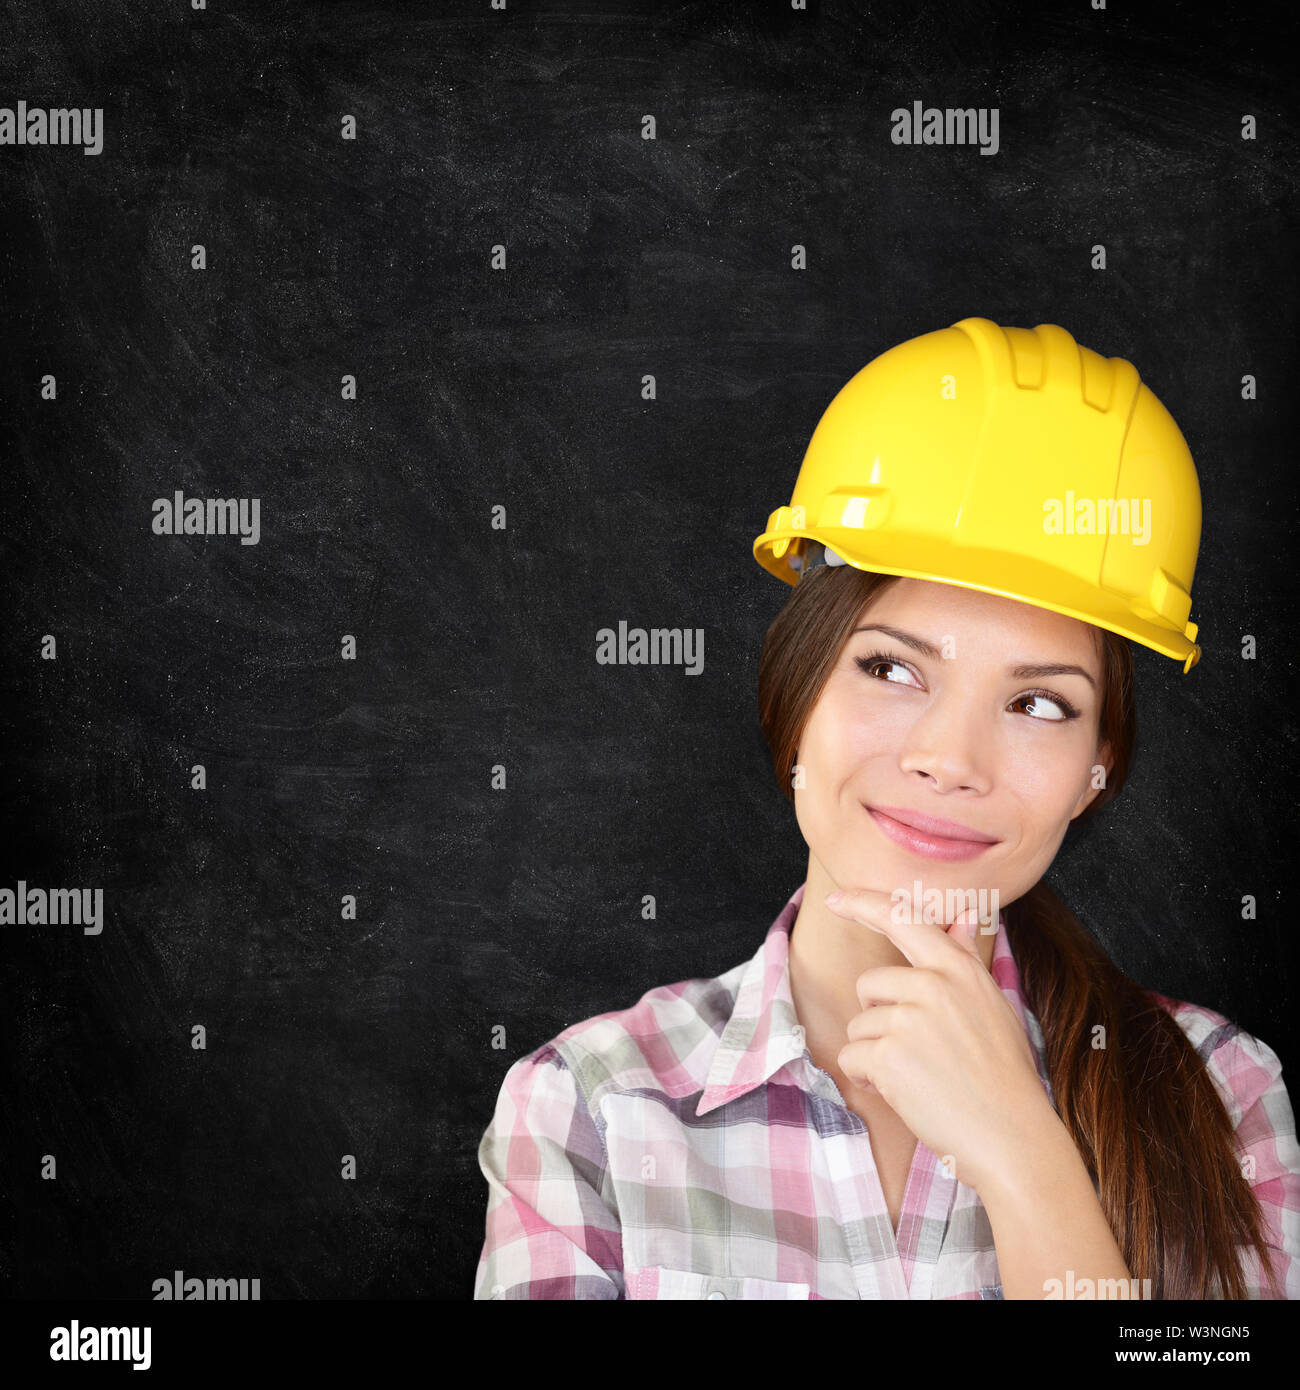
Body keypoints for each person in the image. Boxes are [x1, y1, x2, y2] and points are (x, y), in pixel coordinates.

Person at [472, 318, 1300, 1299]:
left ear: (1095, 767)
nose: (948, 759)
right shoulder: (593, 1108)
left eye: (1038, 703)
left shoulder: (1218, 1093)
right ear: (797, 695)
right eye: (891, 667)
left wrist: (1020, 1152)